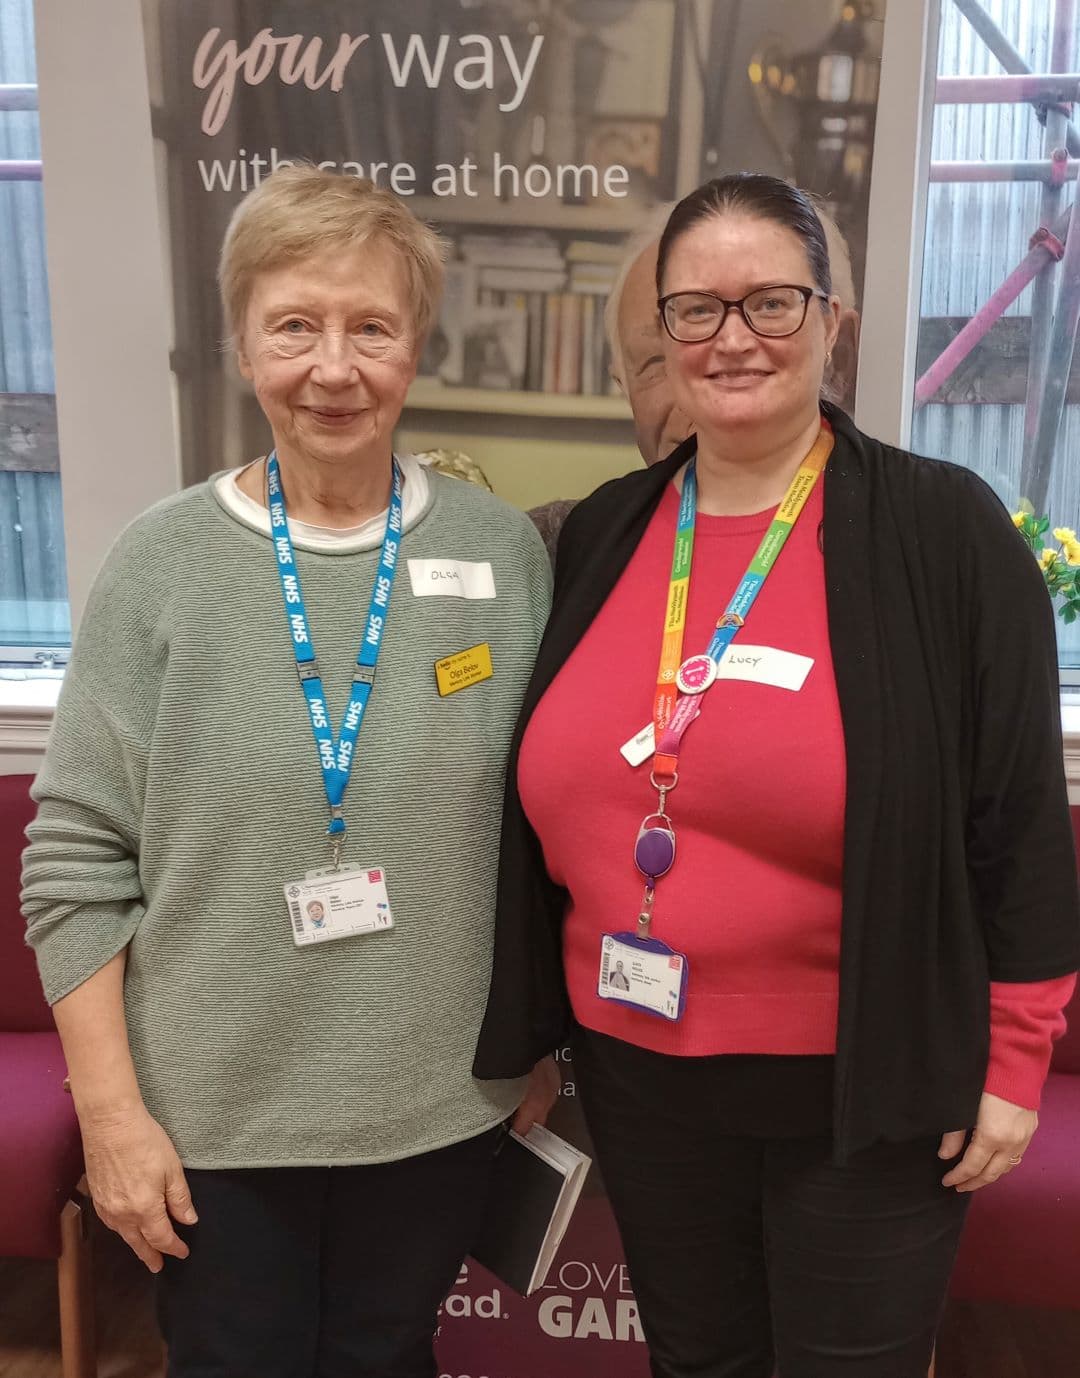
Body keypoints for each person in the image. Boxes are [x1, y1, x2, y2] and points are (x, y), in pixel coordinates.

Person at [477, 173, 1080, 1377]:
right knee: (698, 1362)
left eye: (771, 303)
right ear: (663, 336)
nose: (733, 338)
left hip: (863, 1087)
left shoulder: (945, 534)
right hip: (642, 1073)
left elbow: (1018, 821)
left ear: (831, 322)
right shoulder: (600, 532)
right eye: (696, 310)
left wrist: (1015, 1062)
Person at [22, 164, 558, 1378]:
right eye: (296, 327)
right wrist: (111, 1115)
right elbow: (72, 863)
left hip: (434, 1101)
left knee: (386, 1355)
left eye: (371, 326)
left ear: (417, 344)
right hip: (210, 1112)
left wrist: (535, 1037)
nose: (335, 366)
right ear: (244, 345)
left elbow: (536, 820)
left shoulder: (497, 555)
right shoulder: (158, 566)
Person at [528, 193, 861, 563]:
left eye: (768, 309)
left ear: (839, 353)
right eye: (657, 362)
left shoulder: (914, 535)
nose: (709, 395)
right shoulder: (557, 554)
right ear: (624, 385)